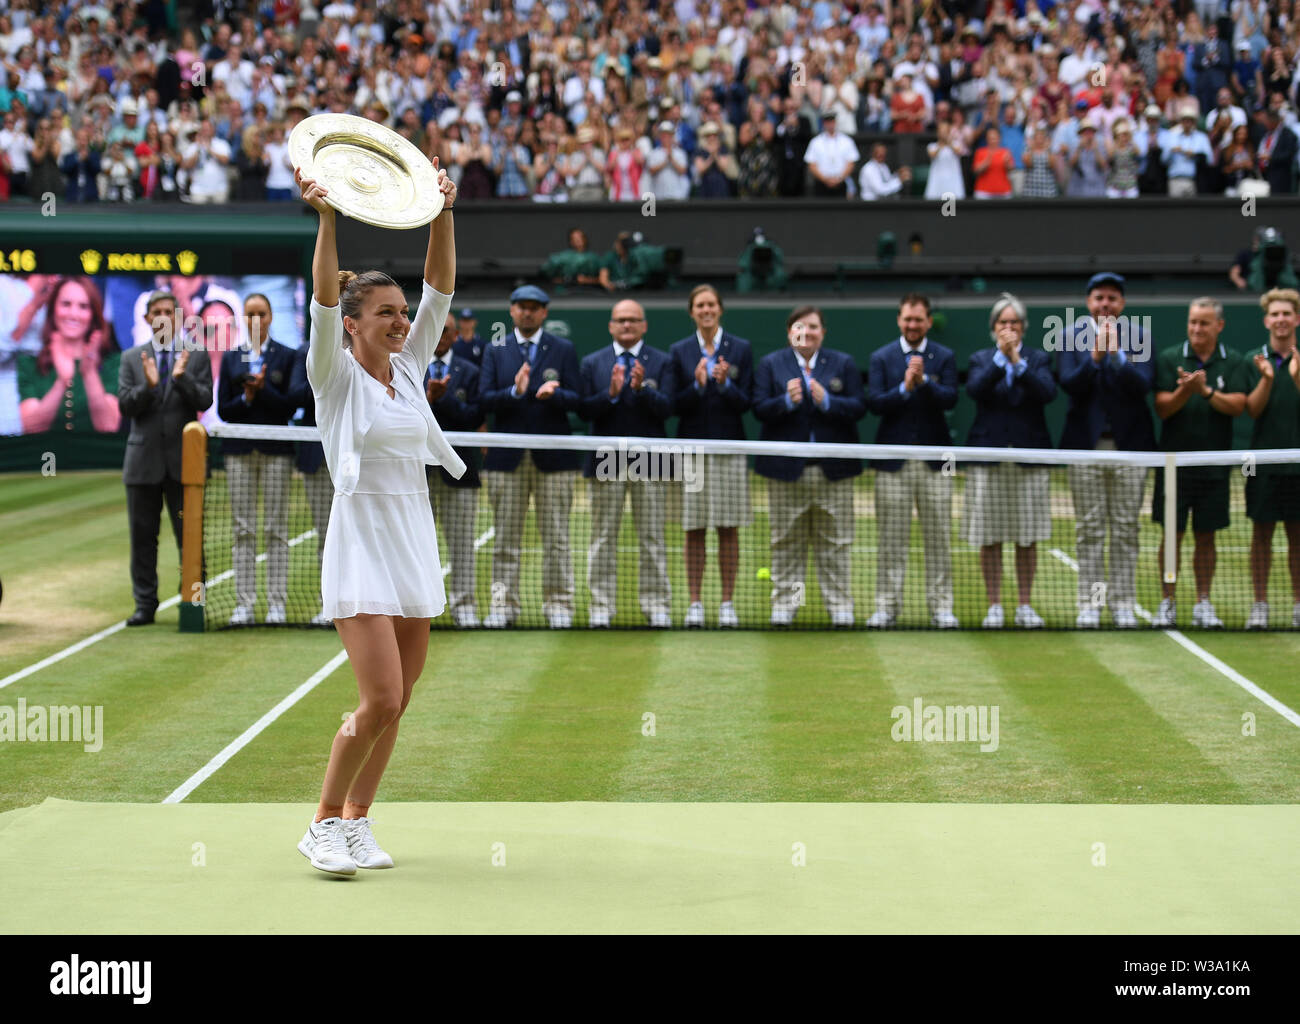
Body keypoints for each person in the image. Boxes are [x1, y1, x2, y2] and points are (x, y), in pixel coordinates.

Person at [295, 158, 460, 876]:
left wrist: (442, 212)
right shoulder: (332, 376)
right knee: (380, 695)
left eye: (402, 313)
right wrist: (329, 218)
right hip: (360, 544)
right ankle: (322, 823)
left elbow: (442, 290)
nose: (400, 321)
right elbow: (322, 304)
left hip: (414, 543)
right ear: (354, 321)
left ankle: (359, 820)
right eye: (384, 313)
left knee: (400, 703)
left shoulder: (413, 365)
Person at [753, 305, 866, 626]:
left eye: (813, 327)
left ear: (822, 332)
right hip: (786, 473)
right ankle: (787, 606)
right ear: (790, 333)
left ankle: (840, 608)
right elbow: (759, 408)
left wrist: (827, 401)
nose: (807, 332)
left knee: (836, 544)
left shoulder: (842, 363)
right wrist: (786, 401)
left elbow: (859, 407)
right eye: (800, 327)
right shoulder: (771, 364)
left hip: (833, 472)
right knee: (788, 543)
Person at [478, 284, 582, 629]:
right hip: (506, 460)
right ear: (512, 311)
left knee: (557, 539)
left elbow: (579, 401)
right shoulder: (496, 350)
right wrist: (514, 391)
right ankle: (502, 605)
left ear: (544, 313)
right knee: (505, 539)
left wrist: (556, 393)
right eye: (521, 306)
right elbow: (484, 400)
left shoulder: (563, 349)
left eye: (534, 307)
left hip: (554, 458)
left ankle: (559, 605)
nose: (527, 312)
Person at [1058, 272, 1156, 628]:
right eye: (1099, 298)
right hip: (1086, 447)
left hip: (1131, 448)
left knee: (1126, 528)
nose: (1105, 304)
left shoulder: (1140, 338)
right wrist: (1094, 357)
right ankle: (1091, 603)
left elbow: (1143, 384)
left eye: (1112, 298)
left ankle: (1123, 605)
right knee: (1090, 530)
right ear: (1088, 303)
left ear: (1122, 304)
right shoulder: (1069, 337)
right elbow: (1069, 384)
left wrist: (1116, 355)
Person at [116, 290, 213, 626]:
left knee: (191, 538)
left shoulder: (196, 355)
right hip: (142, 464)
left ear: (178, 316)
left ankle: (195, 602)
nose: (162, 317)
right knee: (143, 539)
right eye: (155, 312)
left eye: (168, 312)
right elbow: (126, 406)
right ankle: (145, 605)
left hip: (185, 464)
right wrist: (150, 386)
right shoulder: (131, 358)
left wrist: (181, 378)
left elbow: (205, 400)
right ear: (146, 319)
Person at [1150, 299, 1248, 629]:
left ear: (1219, 326)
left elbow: (1238, 405)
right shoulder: (1169, 358)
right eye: (1192, 322)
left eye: (1204, 323)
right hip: (1175, 465)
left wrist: (1204, 390)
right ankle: (1168, 601)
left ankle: (1203, 603)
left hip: (1214, 466)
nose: (1196, 329)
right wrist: (1185, 391)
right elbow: (1162, 407)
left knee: (1207, 538)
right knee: (1172, 536)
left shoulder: (1232, 361)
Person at [865, 293, 960, 628]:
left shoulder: (944, 356)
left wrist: (924, 385)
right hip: (893, 461)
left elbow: (951, 399)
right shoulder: (882, 357)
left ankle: (941, 608)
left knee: (939, 537)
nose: (913, 324)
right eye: (907, 319)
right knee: (891, 539)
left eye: (919, 319)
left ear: (929, 322)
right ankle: (887, 608)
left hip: (939, 461)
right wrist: (905, 388)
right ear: (899, 320)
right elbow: (875, 403)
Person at [577, 299, 674, 627]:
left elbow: (668, 409)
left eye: (633, 320)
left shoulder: (662, 361)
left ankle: (657, 605)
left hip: (652, 459)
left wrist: (641, 389)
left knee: (652, 536)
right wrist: (613, 393)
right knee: (603, 536)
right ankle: (601, 607)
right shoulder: (593, 363)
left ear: (644, 325)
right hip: (606, 458)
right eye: (621, 320)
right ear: (611, 326)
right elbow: (585, 410)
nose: (627, 325)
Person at [964, 294, 1058, 629]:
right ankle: (994, 606)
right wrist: (1000, 361)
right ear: (993, 328)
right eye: (1002, 323)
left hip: (1028, 458)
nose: (1008, 328)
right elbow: (975, 390)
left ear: (1023, 328)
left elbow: (1047, 393)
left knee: (1026, 536)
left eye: (1013, 323)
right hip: (988, 457)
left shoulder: (1038, 359)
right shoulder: (979, 359)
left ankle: (1024, 605)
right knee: (989, 536)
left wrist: (1018, 361)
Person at [669, 285, 753, 629]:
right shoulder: (679, 351)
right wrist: (699, 386)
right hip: (691, 452)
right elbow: (674, 404)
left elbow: (748, 402)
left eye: (712, 305)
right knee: (694, 529)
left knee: (728, 528)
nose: (706, 310)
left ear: (720, 310)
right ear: (692, 312)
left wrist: (726, 386)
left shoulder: (742, 349)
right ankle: (695, 604)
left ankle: (727, 604)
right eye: (700, 305)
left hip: (729, 449)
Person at [216, 293, 298, 626]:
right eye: (249, 314)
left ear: (270, 317)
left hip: (276, 451)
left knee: (276, 529)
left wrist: (262, 391)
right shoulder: (231, 358)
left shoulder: (288, 357)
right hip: (238, 453)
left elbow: (289, 406)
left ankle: (276, 603)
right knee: (243, 530)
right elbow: (224, 410)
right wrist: (247, 398)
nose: (255, 320)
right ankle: (244, 604)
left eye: (261, 314)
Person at [1237, 288, 1300, 629]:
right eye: (1274, 314)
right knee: (1261, 535)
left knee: (1298, 537)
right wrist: (1267, 379)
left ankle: (1299, 604)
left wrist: (1296, 376)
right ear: (1266, 320)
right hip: (1261, 462)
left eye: (1286, 314)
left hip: (1298, 463)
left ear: (1297, 319)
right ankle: (1259, 606)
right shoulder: (1253, 360)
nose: (1280, 320)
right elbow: (1252, 409)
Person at [425, 312, 484, 629]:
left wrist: (443, 400)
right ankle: (420, 608)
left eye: (447, 329)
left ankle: (465, 606)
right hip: (417, 472)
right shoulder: (406, 367)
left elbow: (474, 417)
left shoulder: (471, 372)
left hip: (460, 472)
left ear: (455, 334)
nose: (442, 334)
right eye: (437, 328)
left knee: (462, 544)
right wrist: (427, 398)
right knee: (417, 544)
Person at [17, 276, 120, 434]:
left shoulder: (113, 363)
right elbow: (31, 429)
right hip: (47, 457)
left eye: (83, 306)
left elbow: (108, 427)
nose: (73, 314)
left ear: (93, 313)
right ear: (53, 310)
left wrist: (90, 373)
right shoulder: (28, 364)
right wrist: (62, 382)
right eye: (66, 304)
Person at [288, 339, 334, 627]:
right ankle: (328, 603)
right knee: (326, 535)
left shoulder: (363, 343)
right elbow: (294, 393)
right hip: (317, 454)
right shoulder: (306, 351)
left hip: (360, 456)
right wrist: (327, 382)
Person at [803, 112, 859, 198]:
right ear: (823, 123)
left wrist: (839, 179)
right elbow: (811, 164)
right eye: (827, 122)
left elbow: (851, 163)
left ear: (836, 122)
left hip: (841, 184)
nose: (830, 124)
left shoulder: (847, 141)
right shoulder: (815, 142)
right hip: (821, 185)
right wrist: (825, 180)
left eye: (832, 121)